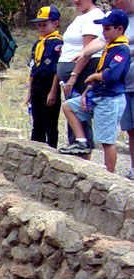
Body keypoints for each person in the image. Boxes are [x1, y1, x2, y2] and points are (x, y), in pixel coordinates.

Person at [59, 9, 131, 173]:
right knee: (69, 107)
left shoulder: (121, 49)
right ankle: (81, 141)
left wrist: (94, 76)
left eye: (107, 29)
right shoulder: (109, 47)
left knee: (107, 141)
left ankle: (109, 174)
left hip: (110, 98)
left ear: (119, 29)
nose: (103, 33)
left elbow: (113, 75)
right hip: (98, 94)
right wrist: (89, 88)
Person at [58, 0, 105, 148]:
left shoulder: (94, 16)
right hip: (69, 70)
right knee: (72, 114)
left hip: (81, 72)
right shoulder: (81, 16)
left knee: (80, 112)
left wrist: (73, 75)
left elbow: (88, 51)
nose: (76, 1)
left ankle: (84, 152)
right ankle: (75, 147)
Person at [25, 6, 63, 147]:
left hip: (49, 85)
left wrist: (53, 91)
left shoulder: (58, 44)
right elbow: (33, 68)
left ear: (55, 23)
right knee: (37, 123)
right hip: (37, 86)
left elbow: (56, 70)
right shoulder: (37, 44)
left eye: (44, 24)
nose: (41, 28)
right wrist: (30, 92)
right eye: (39, 25)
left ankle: (51, 152)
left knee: (50, 124)